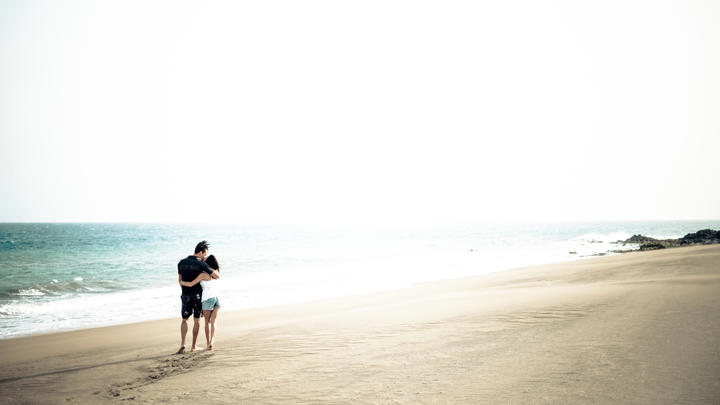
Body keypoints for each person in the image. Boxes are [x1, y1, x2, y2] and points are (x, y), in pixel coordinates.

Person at [177, 240, 219, 353]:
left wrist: (184, 291)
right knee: (197, 321)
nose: (205, 256)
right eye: (205, 254)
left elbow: (179, 280)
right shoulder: (201, 263)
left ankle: (183, 344)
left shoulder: (181, 262)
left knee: (184, 319)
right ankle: (193, 346)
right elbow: (215, 275)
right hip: (197, 295)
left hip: (185, 294)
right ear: (201, 252)